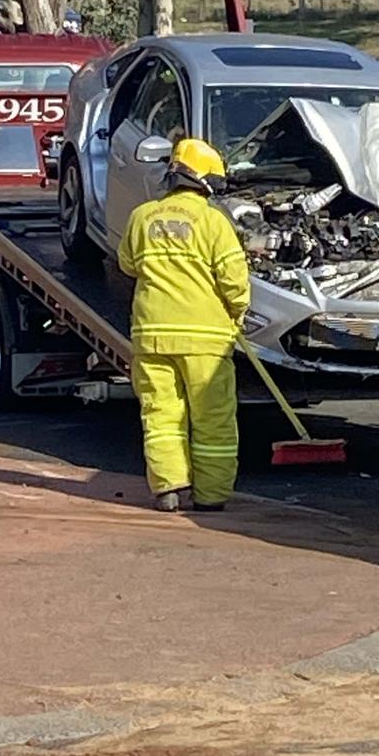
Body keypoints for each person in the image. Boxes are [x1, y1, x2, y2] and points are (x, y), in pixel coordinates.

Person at [118, 138, 250, 513]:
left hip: (151, 334)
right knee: (213, 420)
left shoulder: (142, 217)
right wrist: (238, 311)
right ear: (207, 181)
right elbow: (234, 280)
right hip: (206, 339)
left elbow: (128, 264)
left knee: (160, 415)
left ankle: (168, 489)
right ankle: (211, 496)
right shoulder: (213, 222)